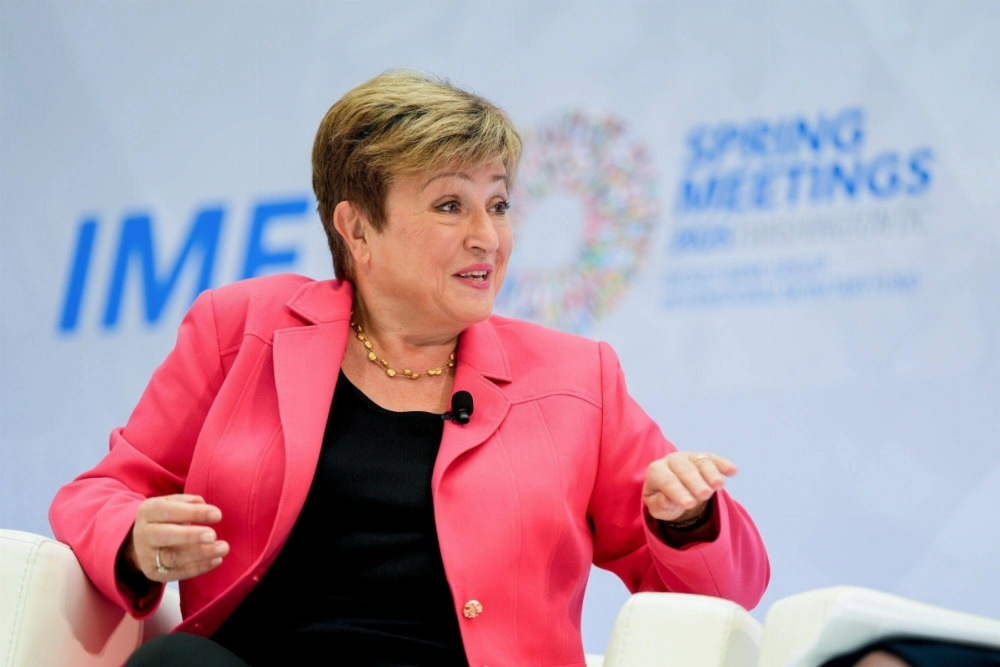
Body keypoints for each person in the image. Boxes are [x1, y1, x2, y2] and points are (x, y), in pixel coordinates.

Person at [49, 70, 770, 667]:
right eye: (450, 205)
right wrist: (135, 539)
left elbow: (729, 589)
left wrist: (689, 519)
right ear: (357, 227)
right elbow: (103, 491)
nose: (487, 236)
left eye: (498, 203)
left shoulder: (575, 379)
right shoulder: (243, 330)